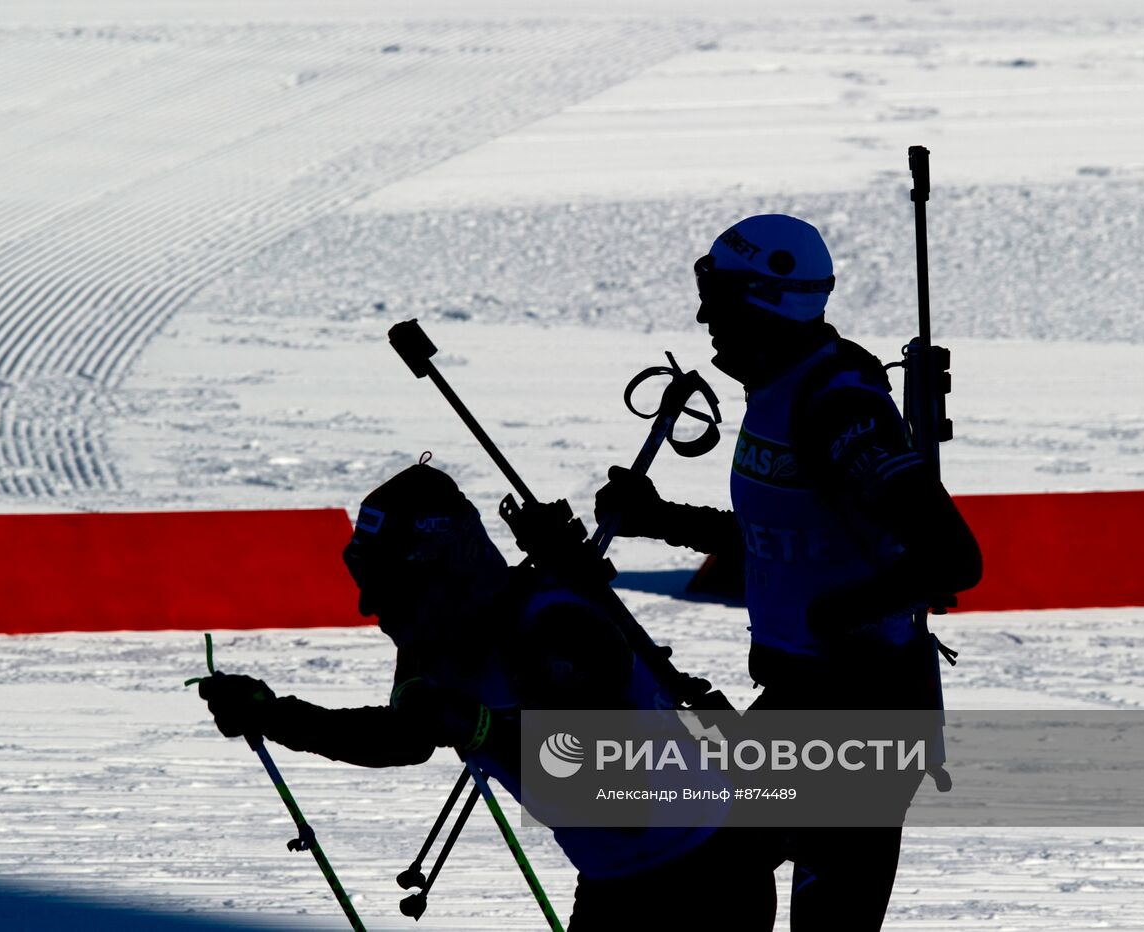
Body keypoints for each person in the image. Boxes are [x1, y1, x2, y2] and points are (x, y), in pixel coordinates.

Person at [595, 214, 983, 930]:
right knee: (701, 862)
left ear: (766, 303)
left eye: (719, 295)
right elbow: (783, 539)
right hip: (807, 705)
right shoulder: (782, 388)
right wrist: (659, 517)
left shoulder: (839, 409)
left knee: (708, 865)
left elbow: (951, 557)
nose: (705, 315)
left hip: (858, 717)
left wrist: (839, 616)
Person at [198, 461, 766, 930]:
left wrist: (483, 730)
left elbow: (626, 795)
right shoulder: (436, 640)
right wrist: (273, 714)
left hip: (704, 876)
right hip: (614, 882)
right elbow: (403, 737)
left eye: (390, 586)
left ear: (444, 572)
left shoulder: (556, 627)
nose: (370, 607)